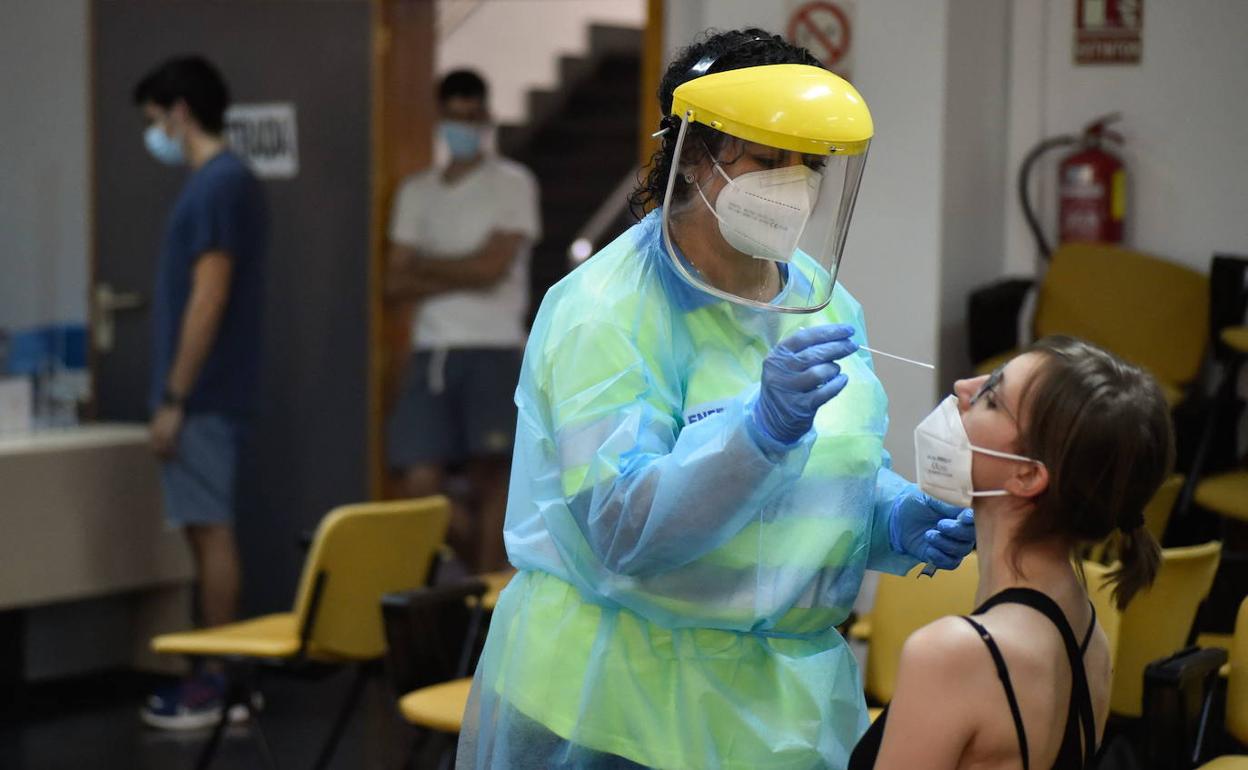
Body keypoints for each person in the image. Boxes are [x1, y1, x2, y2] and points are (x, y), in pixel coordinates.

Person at [456, 29, 976, 769]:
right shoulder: (604, 311)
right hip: (618, 703)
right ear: (693, 157)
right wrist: (756, 434)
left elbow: (829, 477)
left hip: (777, 712)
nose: (791, 183)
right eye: (767, 159)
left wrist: (891, 519)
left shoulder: (824, 307)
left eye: (809, 164)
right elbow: (621, 530)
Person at [850, 336, 1172, 769]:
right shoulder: (1089, 634)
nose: (964, 387)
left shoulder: (952, 655)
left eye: (992, 397)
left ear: (1026, 475)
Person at [132, 56, 269, 730]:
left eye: (155, 119)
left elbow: (208, 296)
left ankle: (220, 682)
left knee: (211, 531)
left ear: (179, 111)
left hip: (206, 397)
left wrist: (175, 397)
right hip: (212, 396)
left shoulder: (218, 186)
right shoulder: (220, 185)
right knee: (204, 529)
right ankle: (226, 677)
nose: (154, 132)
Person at [385, 69, 540, 574]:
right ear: (440, 118)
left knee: (492, 479)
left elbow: (493, 267)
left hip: (494, 347)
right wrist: (466, 269)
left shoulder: (513, 183)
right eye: (455, 116)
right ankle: (456, 586)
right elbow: (393, 282)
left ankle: (489, 598)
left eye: (473, 117)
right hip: (433, 350)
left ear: (487, 118)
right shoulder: (417, 192)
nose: (464, 126)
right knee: (418, 481)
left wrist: (427, 265)